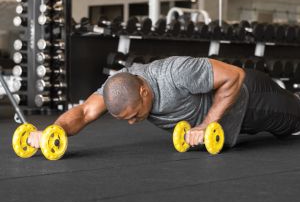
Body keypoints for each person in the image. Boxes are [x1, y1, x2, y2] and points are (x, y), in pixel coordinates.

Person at [28, 56, 300, 149]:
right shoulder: (120, 86)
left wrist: (206, 124)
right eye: (127, 120)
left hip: (252, 99)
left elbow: (234, 76)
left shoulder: (176, 72)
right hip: (228, 123)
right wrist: (54, 131)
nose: (134, 123)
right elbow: (85, 111)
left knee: (293, 123)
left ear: (144, 92)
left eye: (134, 115)